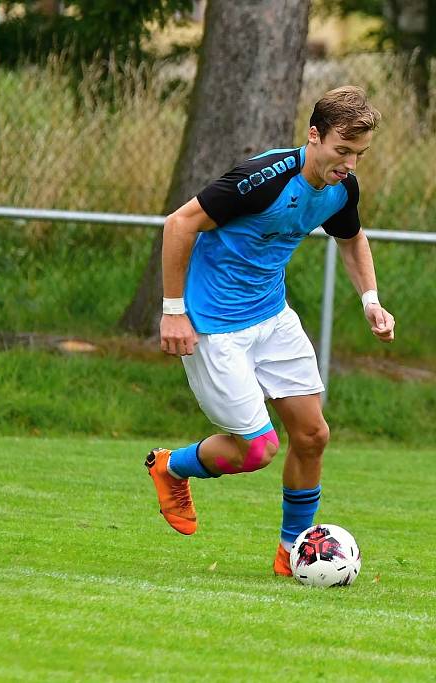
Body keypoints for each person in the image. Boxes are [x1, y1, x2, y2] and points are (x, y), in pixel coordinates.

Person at [144, 86, 395, 575]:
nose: (350, 164)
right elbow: (180, 223)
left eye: (359, 155)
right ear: (314, 136)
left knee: (312, 435)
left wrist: (371, 300)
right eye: (342, 151)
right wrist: (173, 311)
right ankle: (170, 466)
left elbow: (351, 237)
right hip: (215, 326)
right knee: (257, 449)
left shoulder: (343, 186)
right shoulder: (263, 177)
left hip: (273, 318)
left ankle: (291, 554)